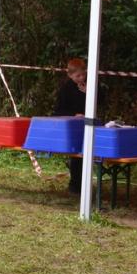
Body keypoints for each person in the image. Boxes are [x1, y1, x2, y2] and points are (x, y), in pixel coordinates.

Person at [53, 57, 89, 194]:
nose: (81, 78)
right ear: (70, 75)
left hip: (87, 125)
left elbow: (101, 100)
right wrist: (74, 115)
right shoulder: (65, 89)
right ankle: (75, 185)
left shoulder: (89, 85)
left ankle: (82, 184)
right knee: (76, 156)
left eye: (83, 74)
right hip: (71, 128)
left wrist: (88, 93)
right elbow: (58, 111)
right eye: (77, 76)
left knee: (84, 155)